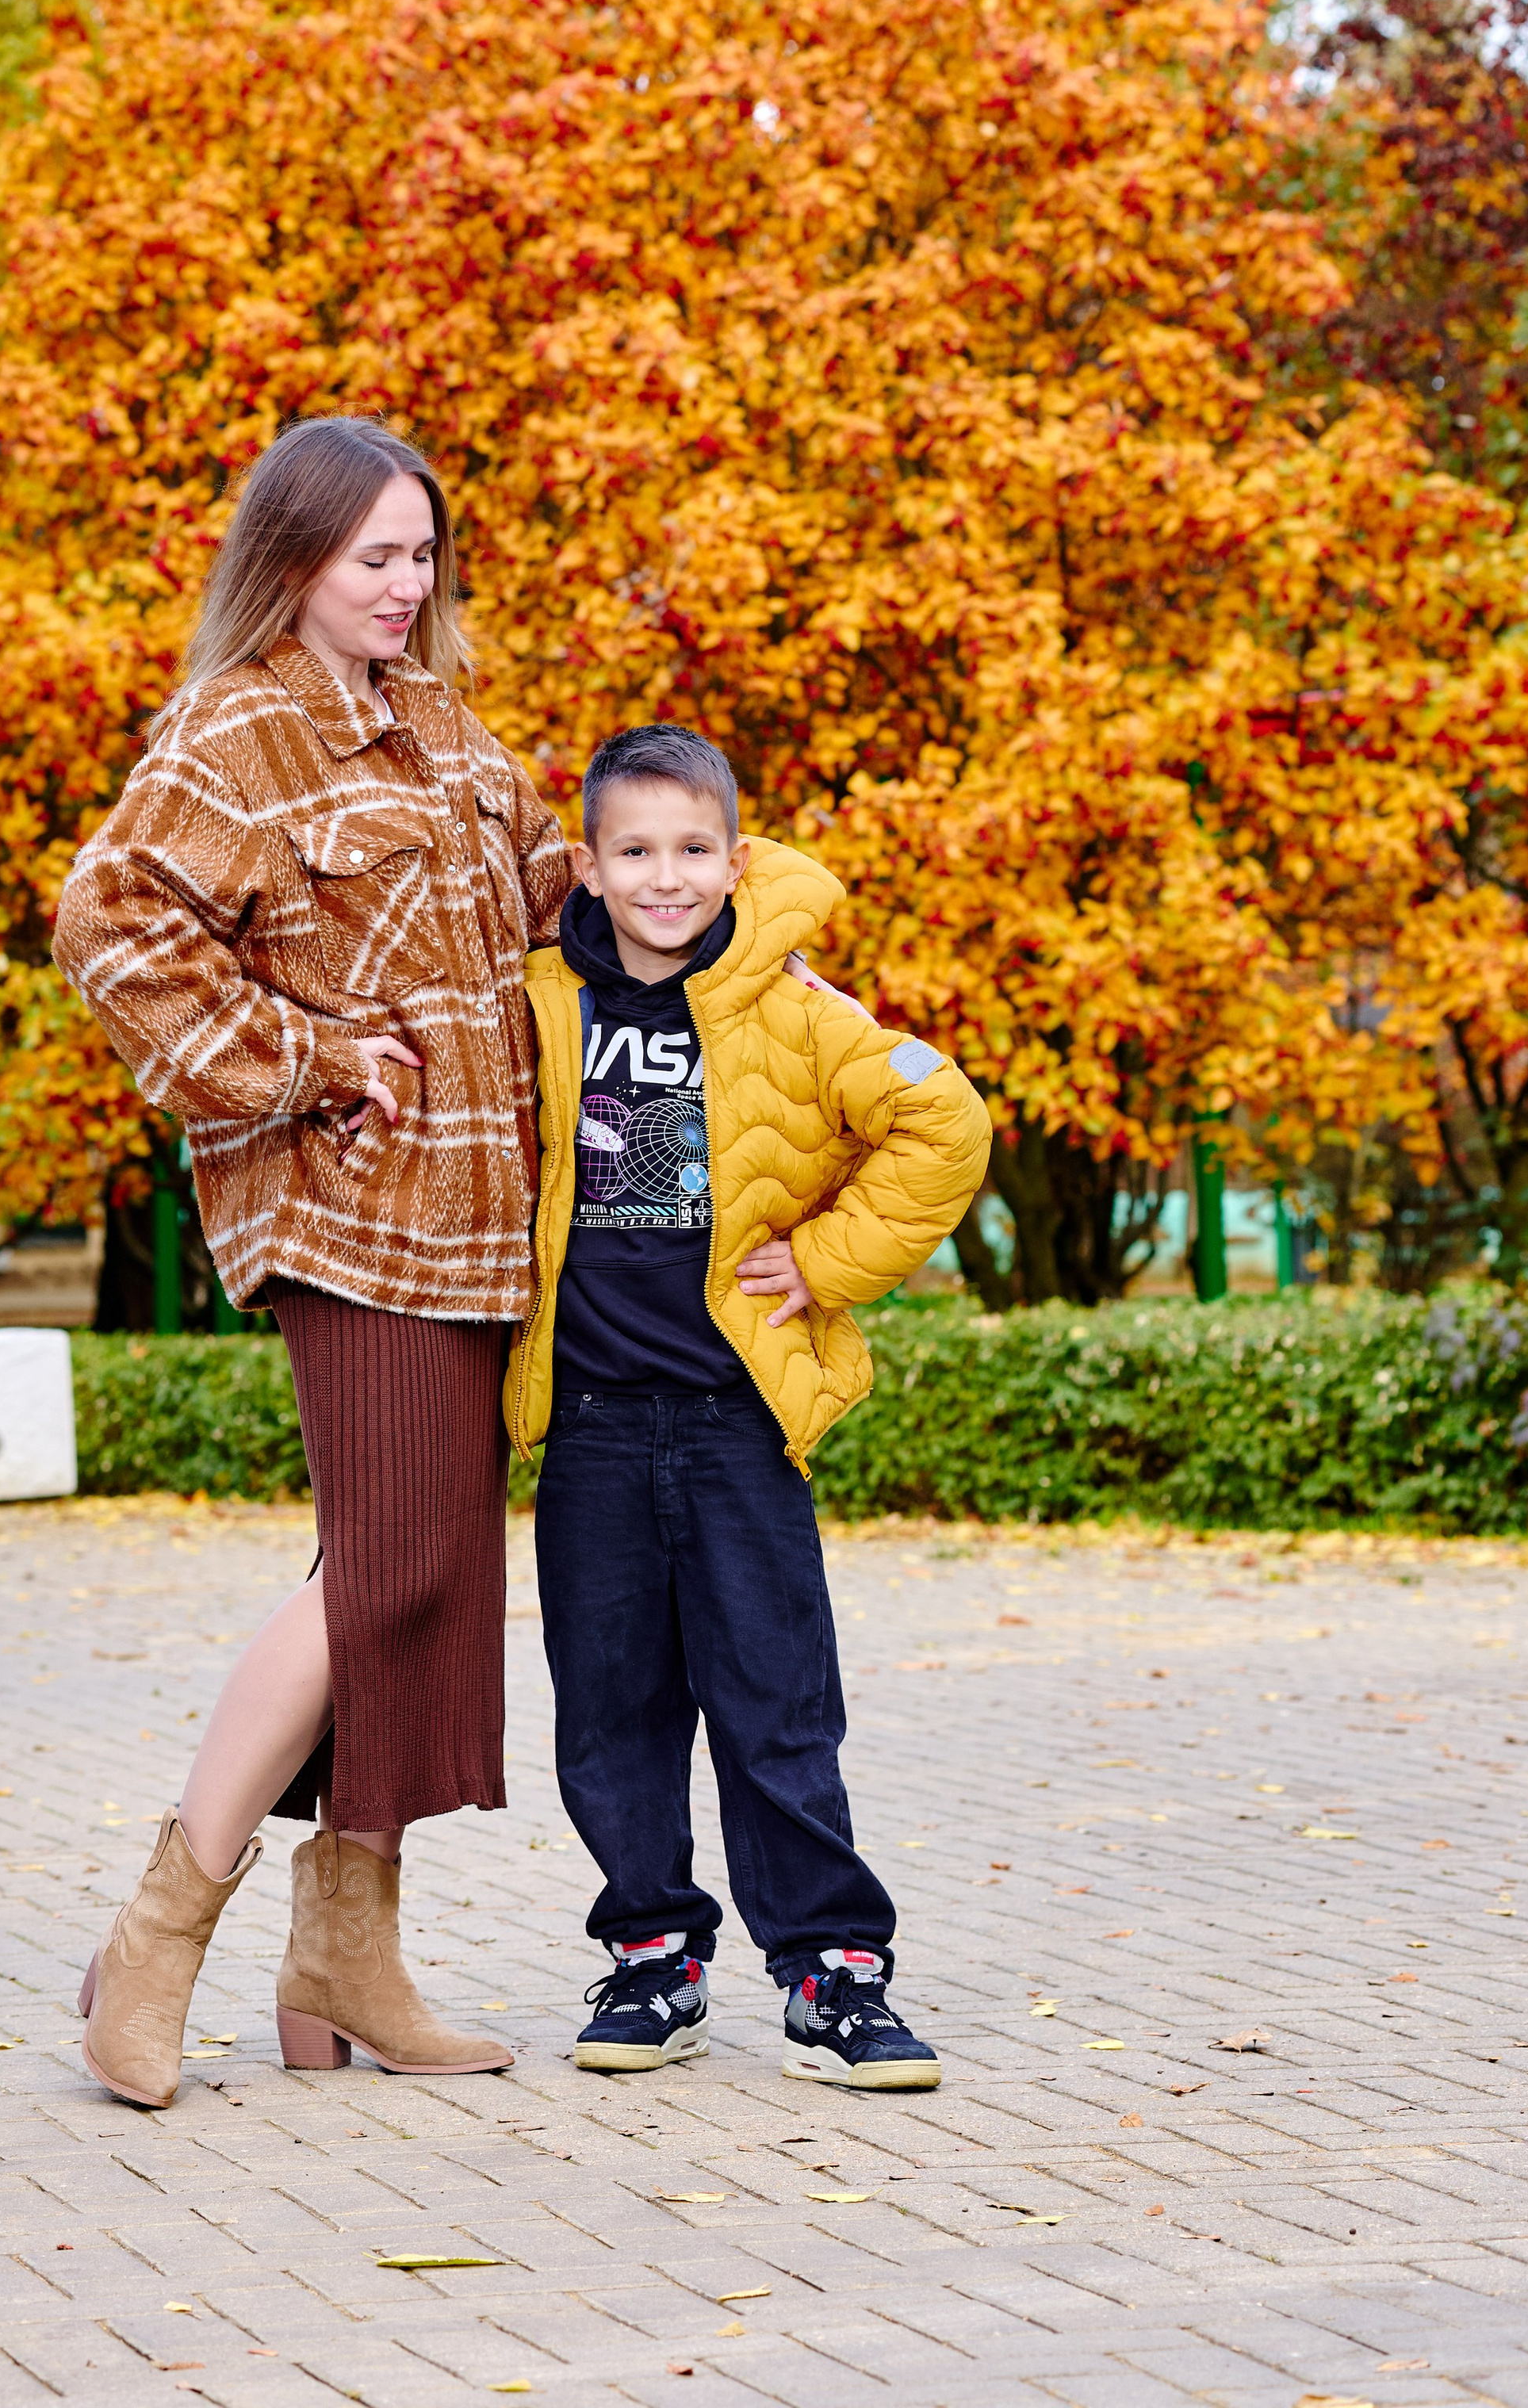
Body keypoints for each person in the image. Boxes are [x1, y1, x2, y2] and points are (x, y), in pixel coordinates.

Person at [51, 415, 569, 2104]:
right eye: (374, 557)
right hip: (351, 1216)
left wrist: (678, 880)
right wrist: (306, 1063)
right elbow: (109, 921)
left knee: (415, 1585)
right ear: (293, 562)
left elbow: (534, 916)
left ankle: (342, 1957)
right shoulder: (239, 729)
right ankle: (158, 1934)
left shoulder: (453, 740)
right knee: (384, 1578)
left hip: (484, 1226)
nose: (406, 584)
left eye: (422, 554)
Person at [502, 724, 992, 2090]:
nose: (668, 878)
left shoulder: (791, 1003)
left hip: (734, 1425)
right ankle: (653, 1957)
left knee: (777, 1707)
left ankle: (835, 1974)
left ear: (735, 855)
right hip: (592, 1422)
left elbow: (943, 1124)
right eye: (637, 852)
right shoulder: (536, 1000)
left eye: (694, 850)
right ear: (590, 867)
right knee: (611, 1714)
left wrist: (828, 1262)